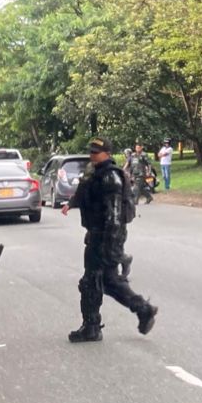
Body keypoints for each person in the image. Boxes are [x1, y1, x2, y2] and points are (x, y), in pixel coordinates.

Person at [69, 138, 158, 343]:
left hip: (106, 235)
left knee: (94, 281)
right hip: (97, 233)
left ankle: (94, 326)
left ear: (107, 153)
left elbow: (115, 214)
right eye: (91, 151)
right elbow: (84, 196)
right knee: (103, 281)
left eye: (97, 152)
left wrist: (110, 244)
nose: (93, 155)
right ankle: (139, 311)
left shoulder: (110, 177)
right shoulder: (94, 173)